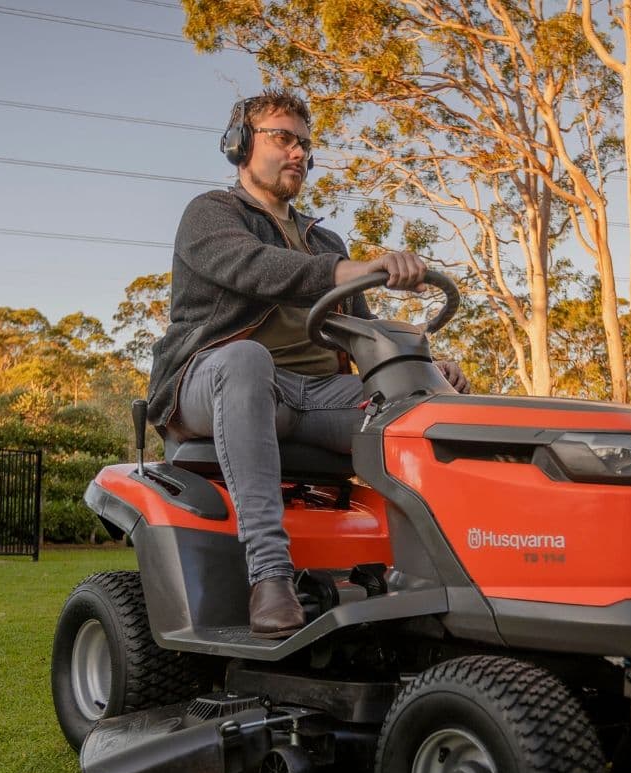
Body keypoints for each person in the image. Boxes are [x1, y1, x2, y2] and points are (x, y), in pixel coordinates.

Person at [142, 89, 467, 636]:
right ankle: (269, 575)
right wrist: (352, 268)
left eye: (306, 144)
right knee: (245, 359)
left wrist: (424, 363)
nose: (299, 153)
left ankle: (450, 569)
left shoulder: (326, 241)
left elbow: (363, 334)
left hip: (313, 395)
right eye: (283, 138)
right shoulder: (211, 214)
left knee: (422, 401)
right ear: (240, 145)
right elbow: (256, 268)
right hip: (212, 383)